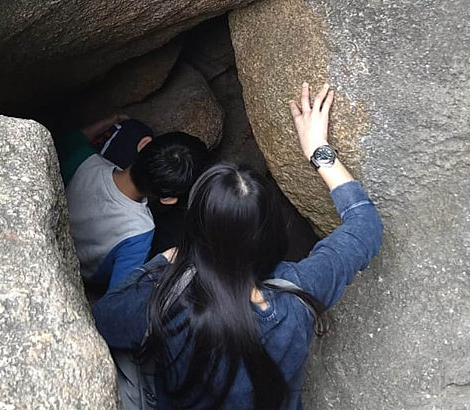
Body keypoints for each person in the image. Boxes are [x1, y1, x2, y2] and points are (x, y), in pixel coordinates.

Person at [92, 83, 384, 409]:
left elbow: (100, 321)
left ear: (192, 226)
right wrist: (318, 150)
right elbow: (366, 226)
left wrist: (161, 262)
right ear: (273, 232)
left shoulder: (161, 295)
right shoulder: (300, 288)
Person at [55, 116, 209, 290]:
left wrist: (111, 119)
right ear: (168, 199)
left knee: (133, 128)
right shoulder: (140, 232)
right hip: (81, 272)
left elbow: (67, 142)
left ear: (143, 144)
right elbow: (119, 291)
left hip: (53, 236)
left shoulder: (84, 160)